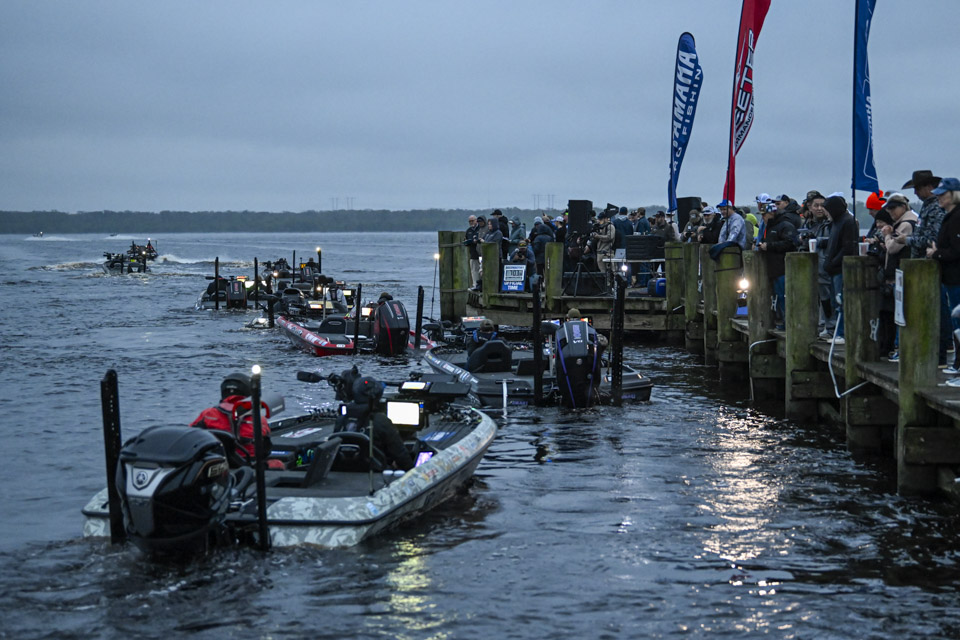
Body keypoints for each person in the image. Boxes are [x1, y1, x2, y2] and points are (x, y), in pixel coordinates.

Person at [335, 376, 414, 471]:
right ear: (377, 396)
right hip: (373, 472)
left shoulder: (341, 420)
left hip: (342, 470)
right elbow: (400, 454)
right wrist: (412, 470)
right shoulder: (380, 420)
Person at [878, 193, 918, 358]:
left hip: (901, 275)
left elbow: (893, 248)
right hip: (896, 274)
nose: (890, 212)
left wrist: (887, 235)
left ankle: (900, 348)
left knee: (902, 314)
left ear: (903, 207)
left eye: (893, 208)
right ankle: (897, 347)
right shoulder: (901, 222)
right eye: (888, 209)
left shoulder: (906, 224)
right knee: (896, 313)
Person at [927, 178, 960, 371]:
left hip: (956, 279)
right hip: (950, 279)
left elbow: (957, 250)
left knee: (958, 322)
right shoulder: (950, 216)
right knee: (955, 322)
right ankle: (957, 363)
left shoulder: (956, 218)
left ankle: (958, 364)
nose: (938, 197)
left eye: (943, 194)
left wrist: (936, 253)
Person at [823, 195, 859, 343]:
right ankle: (837, 331)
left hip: (841, 269)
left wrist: (833, 262)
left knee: (841, 302)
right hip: (833, 269)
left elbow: (847, 247)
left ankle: (842, 333)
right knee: (835, 302)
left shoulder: (848, 222)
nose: (825, 213)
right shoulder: (836, 222)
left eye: (827, 210)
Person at [758, 200, 798, 328]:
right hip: (773, 268)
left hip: (782, 268)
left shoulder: (785, 225)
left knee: (784, 296)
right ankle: (780, 320)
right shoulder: (770, 227)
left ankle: (788, 322)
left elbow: (791, 243)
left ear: (771, 214)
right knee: (777, 296)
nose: (763, 218)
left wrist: (769, 246)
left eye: (764, 215)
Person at [591, 210, 616, 279]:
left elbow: (610, 237)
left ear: (605, 219)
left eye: (601, 219)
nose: (599, 221)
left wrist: (598, 236)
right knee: (603, 273)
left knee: (611, 272)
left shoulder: (610, 226)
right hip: (599, 252)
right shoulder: (599, 227)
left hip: (607, 252)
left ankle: (611, 283)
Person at [464, 215, 482, 290]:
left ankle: (482, 285)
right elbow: (466, 239)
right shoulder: (468, 231)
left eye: (472, 221)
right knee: (474, 270)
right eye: (470, 221)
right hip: (473, 253)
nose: (471, 222)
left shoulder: (480, 228)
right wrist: (466, 242)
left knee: (481, 270)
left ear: (476, 220)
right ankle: (475, 285)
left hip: (481, 253)